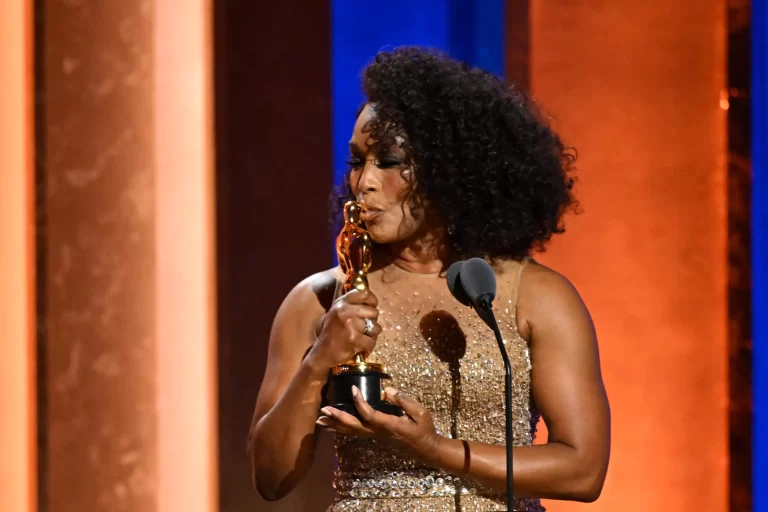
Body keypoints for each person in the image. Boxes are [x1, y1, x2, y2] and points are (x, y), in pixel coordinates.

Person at [248, 46, 610, 512]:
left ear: (449, 169)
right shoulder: (319, 300)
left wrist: (433, 448)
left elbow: (583, 470)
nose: (364, 182)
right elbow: (270, 478)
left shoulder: (535, 296)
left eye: (389, 161)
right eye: (357, 161)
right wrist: (318, 360)